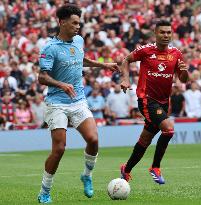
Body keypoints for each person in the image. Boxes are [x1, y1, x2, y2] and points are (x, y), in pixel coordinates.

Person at [37, 4, 119, 204]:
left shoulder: (79, 40)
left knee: (93, 139)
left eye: (79, 23)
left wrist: (104, 65)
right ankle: (44, 191)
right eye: (74, 23)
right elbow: (42, 77)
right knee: (59, 149)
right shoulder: (49, 48)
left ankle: (86, 176)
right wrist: (61, 84)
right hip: (56, 103)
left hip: (78, 100)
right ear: (61, 22)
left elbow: (80, 60)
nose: (77, 26)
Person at [119, 20, 189, 184]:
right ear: (155, 34)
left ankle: (126, 169)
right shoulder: (145, 51)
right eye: (162, 32)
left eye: (168, 32)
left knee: (145, 140)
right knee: (168, 129)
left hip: (164, 102)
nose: (166, 35)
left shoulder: (176, 54)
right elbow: (125, 60)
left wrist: (185, 73)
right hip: (146, 99)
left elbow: (183, 79)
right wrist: (125, 79)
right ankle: (155, 167)